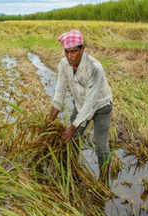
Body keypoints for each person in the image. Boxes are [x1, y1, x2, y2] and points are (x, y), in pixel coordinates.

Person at [48, 29, 113, 173]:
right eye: (67, 52)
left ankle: (104, 177)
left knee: (100, 144)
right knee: (72, 140)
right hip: (80, 104)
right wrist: (48, 122)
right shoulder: (64, 64)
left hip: (101, 106)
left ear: (83, 49)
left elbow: (91, 103)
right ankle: (73, 170)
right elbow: (59, 93)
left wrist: (73, 127)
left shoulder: (94, 68)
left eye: (74, 51)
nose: (70, 56)